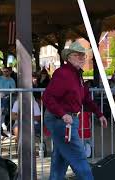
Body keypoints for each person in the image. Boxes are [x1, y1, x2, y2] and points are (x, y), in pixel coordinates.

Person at [42, 41, 108, 180]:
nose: (83, 58)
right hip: (61, 120)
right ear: (70, 57)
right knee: (78, 156)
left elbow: (85, 99)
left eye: (83, 55)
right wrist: (63, 114)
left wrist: (99, 114)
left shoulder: (77, 75)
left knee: (61, 159)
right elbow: (48, 97)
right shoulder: (63, 73)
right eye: (78, 55)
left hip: (67, 120)